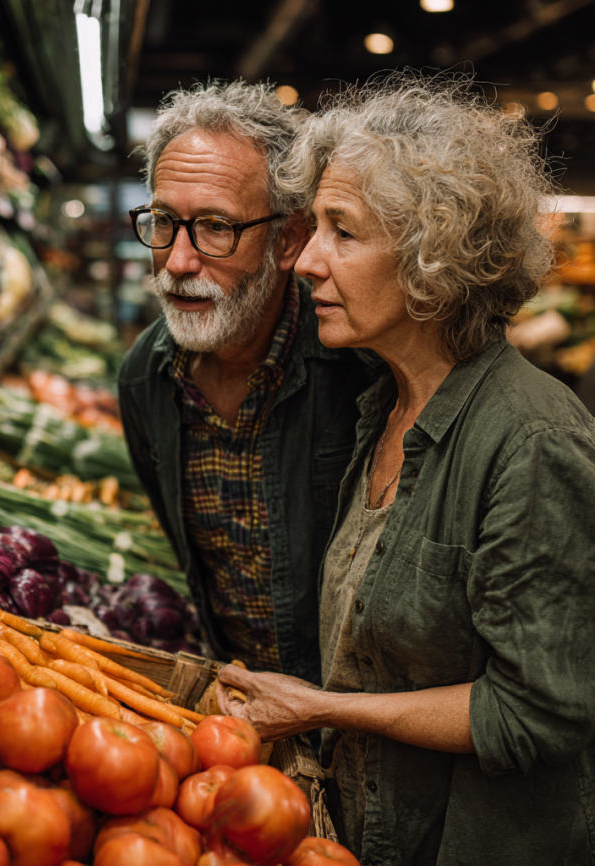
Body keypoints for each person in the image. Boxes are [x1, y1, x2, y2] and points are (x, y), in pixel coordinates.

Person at [216, 76, 595, 866]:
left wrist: (325, 709)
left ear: (434, 257)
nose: (307, 262)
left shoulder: (531, 442)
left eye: (342, 232)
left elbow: (536, 712)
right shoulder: (383, 412)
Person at [117, 81, 378, 684]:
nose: (177, 262)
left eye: (214, 227)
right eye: (162, 222)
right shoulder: (143, 382)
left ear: (287, 240)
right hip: (238, 719)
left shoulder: (361, 368)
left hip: (355, 719)